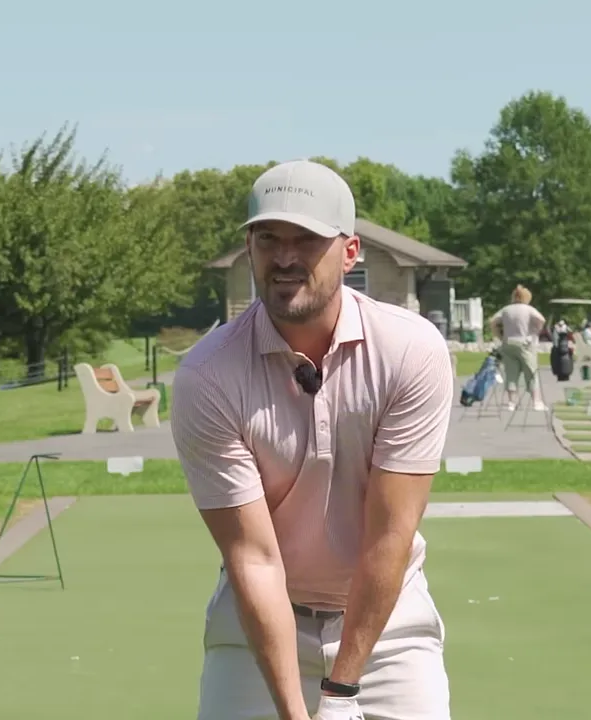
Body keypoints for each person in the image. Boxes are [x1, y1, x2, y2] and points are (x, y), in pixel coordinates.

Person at [170, 159, 454, 720]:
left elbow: (389, 537)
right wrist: (297, 714)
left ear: (349, 252)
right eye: (268, 238)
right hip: (257, 628)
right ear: (249, 248)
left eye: (306, 239)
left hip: (388, 624)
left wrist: (341, 691)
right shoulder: (207, 375)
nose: (284, 257)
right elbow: (253, 559)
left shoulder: (410, 350)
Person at [488, 285, 547, 412]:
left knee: (511, 373)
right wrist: (535, 331)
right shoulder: (528, 309)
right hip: (525, 343)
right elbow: (541, 319)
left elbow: (493, 321)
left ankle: (512, 402)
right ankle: (536, 402)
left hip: (508, 343)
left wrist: (499, 335)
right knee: (531, 372)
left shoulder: (506, 309)